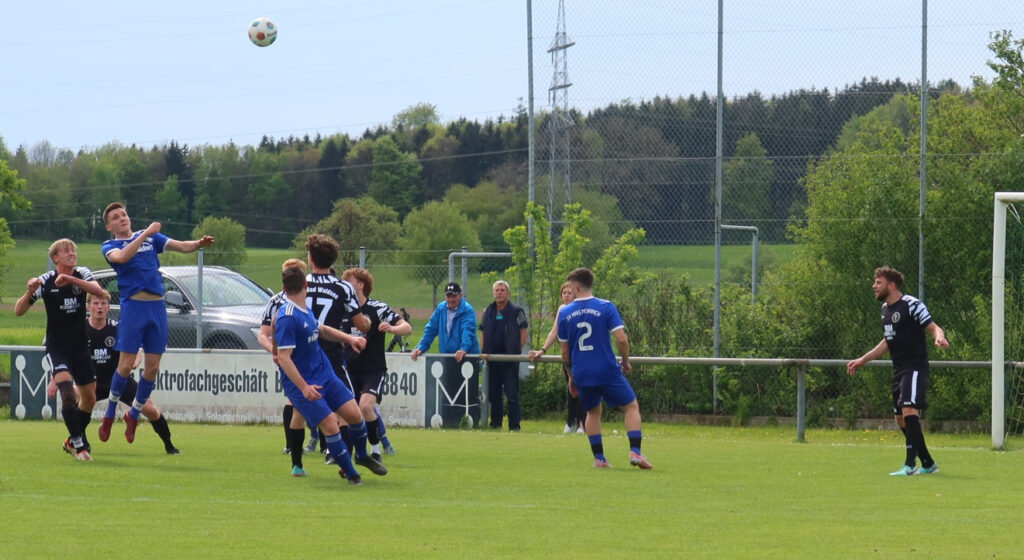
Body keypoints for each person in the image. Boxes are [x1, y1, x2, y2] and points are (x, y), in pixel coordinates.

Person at [97, 201, 215, 445]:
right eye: (116, 217)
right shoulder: (111, 245)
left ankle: (133, 415)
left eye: (124, 214)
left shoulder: (150, 237)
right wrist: (145, 234)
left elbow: (181, 245)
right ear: (109, 227)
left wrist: (198, 244)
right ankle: (109, 413)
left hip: (157, 308)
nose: (122, 218)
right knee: (125, 366)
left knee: (152, 369)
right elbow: (122, 257)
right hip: (133, 308)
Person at [274, 262, 387, 484]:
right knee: (331, 425)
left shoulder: (303, 310)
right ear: (306, 285)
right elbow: (284, 357)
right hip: (305, 384)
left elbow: (322, 329)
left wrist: (350, 339)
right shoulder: (287, 316)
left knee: (355, 415)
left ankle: (362, 455)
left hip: (325, 375)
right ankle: (353, 475)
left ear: (284, 288)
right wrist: (304, 387)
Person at [847, 266, 949, 476]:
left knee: (909, 409)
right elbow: (888, 342)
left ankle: (910, 466)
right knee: (900, 419)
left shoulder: (912, 305)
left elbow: (934, 327)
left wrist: (939, 338)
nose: (874, 286)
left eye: (878, 282)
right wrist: (863, 360)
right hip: (899, 369)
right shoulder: (885, 309)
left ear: (891, 285)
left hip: (915, 366)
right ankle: (928, 463)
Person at [15, 238, 106, 461]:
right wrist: (29, 292)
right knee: (68, 396)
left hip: (80, 346)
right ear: (55, 258)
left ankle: (71, 441)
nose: (72, 253)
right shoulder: (45, 281)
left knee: (89, 399)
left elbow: (98, 290)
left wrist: (71, 279)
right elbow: (18, 311)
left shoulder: (82, 273)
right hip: (58, 348)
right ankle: (79, 445)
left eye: (73, 250)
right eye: (66, 251)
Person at [557, 267, 652, 470]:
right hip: (606, 370)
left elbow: (565, 353)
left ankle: (599, 458)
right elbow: (621, 339)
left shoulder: (564, 313)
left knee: (592, 412)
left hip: (582, 372)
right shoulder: (606, 307)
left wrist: (571, 376)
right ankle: (635, 452)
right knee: (631, 407)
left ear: (577, 288)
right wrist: (626, 361)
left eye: (571, 288)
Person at [83, 289, 180, 454]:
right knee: (75, 400)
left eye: (103, 303)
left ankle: (169, 446)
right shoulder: (81, 329)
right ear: (88, 307)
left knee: (150, 409)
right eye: (96, 303)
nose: (100, 307)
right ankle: (81, 443)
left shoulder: (117, 328)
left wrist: (136, 358)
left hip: (119, 380)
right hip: (93, 381)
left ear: (108, 307)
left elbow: (138, 347)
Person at [304, 234, 371, 464]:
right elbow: (361, 324)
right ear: (333, 260)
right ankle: (342, 455)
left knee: (313, 404)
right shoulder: (343, 287)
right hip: (330, 354)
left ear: (311, 259)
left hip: (303, 355)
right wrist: (368, 323)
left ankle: (313, 454)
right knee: (347, 405)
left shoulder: (301, 283)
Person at [341, 267, 413, 459]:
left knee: (365, 406)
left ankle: (375, 450)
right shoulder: (343, 309)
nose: (344, 285)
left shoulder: (377, 308)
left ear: (360, 285)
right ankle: (345, 453)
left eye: (348, 281)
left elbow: (407, 328)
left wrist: (392, 329)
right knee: (347, 412)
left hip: (373, 370)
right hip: (349, 369)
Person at [257, 258, 317, 476]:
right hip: (291, 358)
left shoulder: (310, 298)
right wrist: (275, 352)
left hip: (314, 357)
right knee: (295, 400)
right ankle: (292, 447)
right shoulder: (276, 302)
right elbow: (263, 335)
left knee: (310, 400)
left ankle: (318, 446)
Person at [529, 281, 585, 434]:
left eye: (569, 293)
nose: (566, 296)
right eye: (564, 293)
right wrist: (543, 350)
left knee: (583, 389)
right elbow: (554, 332)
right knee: (571, 389)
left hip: (582, 355)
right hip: (568, 356)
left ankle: (582, 424)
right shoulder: (562, 309)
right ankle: (571, 421)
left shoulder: (581, 308)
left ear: (575, 295)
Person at [480, 280, 528, 431]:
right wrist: (484, 352)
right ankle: (496, 424)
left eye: (502, 290)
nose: (499, 293)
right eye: (497, 290)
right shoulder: (488, 310)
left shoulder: (517, 311)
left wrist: (517, 352)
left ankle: (514, 426)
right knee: (494, 396)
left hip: (509, 361)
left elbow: (523, 332)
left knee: (512, 395)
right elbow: (483, 333)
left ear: (508, 293)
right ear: (493, 293)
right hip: (492, 360)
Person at [410, 282, 480, 364]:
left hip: (466, 358)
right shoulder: (441, 309)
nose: (451, 299)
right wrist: (421, 348)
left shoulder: (467, 310)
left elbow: (468, 331)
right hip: (446, 358)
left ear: (460, 296)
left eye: (454, 296)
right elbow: (431, 330)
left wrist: (463, 349)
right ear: (445, 296)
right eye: (448, 296)